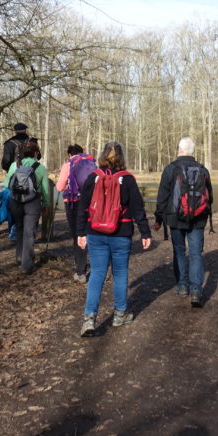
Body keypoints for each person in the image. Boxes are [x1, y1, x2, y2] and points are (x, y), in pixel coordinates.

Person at [77, 141, 152, 337]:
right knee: (120, 273)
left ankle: (89, 319)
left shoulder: (93, 178)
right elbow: (138, 208)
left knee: (97, 274)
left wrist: (81, 232)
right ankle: (119, 314)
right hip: (121, 234)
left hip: (95, 233)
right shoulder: (127, 180)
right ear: (122, 157)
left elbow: (83, 207)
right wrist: (145, 232)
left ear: (102, 156)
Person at [153, 137, 213, 308]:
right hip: (198, 218)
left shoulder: (170, 169)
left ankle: (182, 286)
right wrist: (205, 213)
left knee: (179, 251)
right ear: (192, 151)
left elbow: (162, 197)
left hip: (175, 217)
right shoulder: (202, 170)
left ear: (179, 149)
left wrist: (158, 218)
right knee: (195, 254)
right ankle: (196, 291)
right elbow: (210, 196)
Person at [6, 139, 51, 274]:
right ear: (35, 153)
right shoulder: (40, 168)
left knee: (19, 228)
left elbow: (7, 184)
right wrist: (46, 204)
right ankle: (27, 265)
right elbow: (45, 190)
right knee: (30, 232)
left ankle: (20, 257)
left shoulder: (14, 165)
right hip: (33, 202)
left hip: (15, 201)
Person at [56, 144, 96, 283]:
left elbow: (59, 186)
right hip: (91, 202)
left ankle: (81, 271)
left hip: (74, 202)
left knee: (78, 235)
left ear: (69, 154)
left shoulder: (68, 163)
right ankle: (97, 267)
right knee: (90, 232)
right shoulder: (91, 162)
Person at [2, 123, 30, 244]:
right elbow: (38, 157)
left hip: (14, 178)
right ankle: (27, 234)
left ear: (15, 131)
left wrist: (11, 168)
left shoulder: (9, 144)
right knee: (29, 206)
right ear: (25, 130)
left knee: (13, 206)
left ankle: (13, 234)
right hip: (30, 176)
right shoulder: (32, 142)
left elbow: (5, 162)